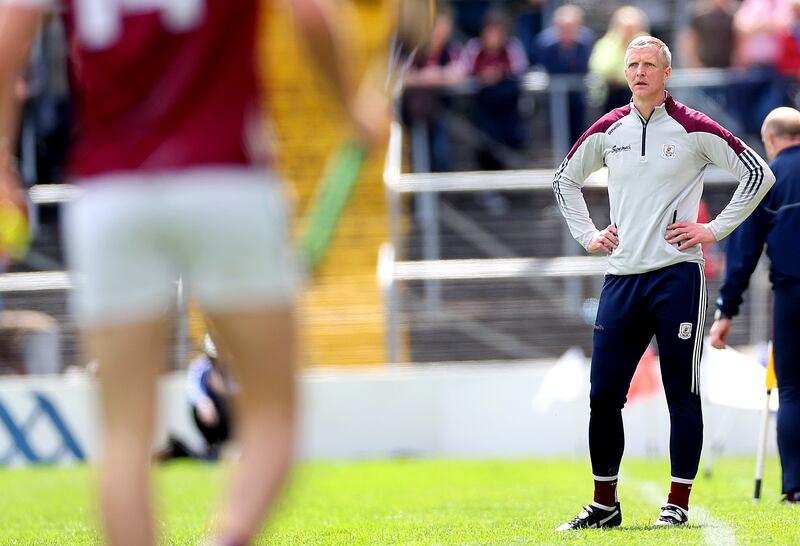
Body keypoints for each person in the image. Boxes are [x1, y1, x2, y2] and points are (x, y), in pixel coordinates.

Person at [0, 1, 383, 546]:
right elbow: (312, 17)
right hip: (226, 182)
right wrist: (351, 107)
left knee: (125, 436)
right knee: (273, 415)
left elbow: (9, 33)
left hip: (111, 195)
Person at [552, 35, 775, 530]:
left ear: (666, 72)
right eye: (631, 64)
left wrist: (712, 229)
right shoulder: (610, 129)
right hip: (621, 278)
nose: (638, 72)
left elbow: (758, 174)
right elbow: (563, 178)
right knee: (604, 394)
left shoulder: (694, 127)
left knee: (681, 392)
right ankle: (604, 504)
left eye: (648, 64)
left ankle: (677, 502)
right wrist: (588, 234)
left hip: (678, 277)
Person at [709, 106, 800, 504]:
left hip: (792, 295)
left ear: (770, 141)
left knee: (794, 390)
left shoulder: (767, 180)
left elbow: (744, 251)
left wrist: (726, 311)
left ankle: (796, 485)